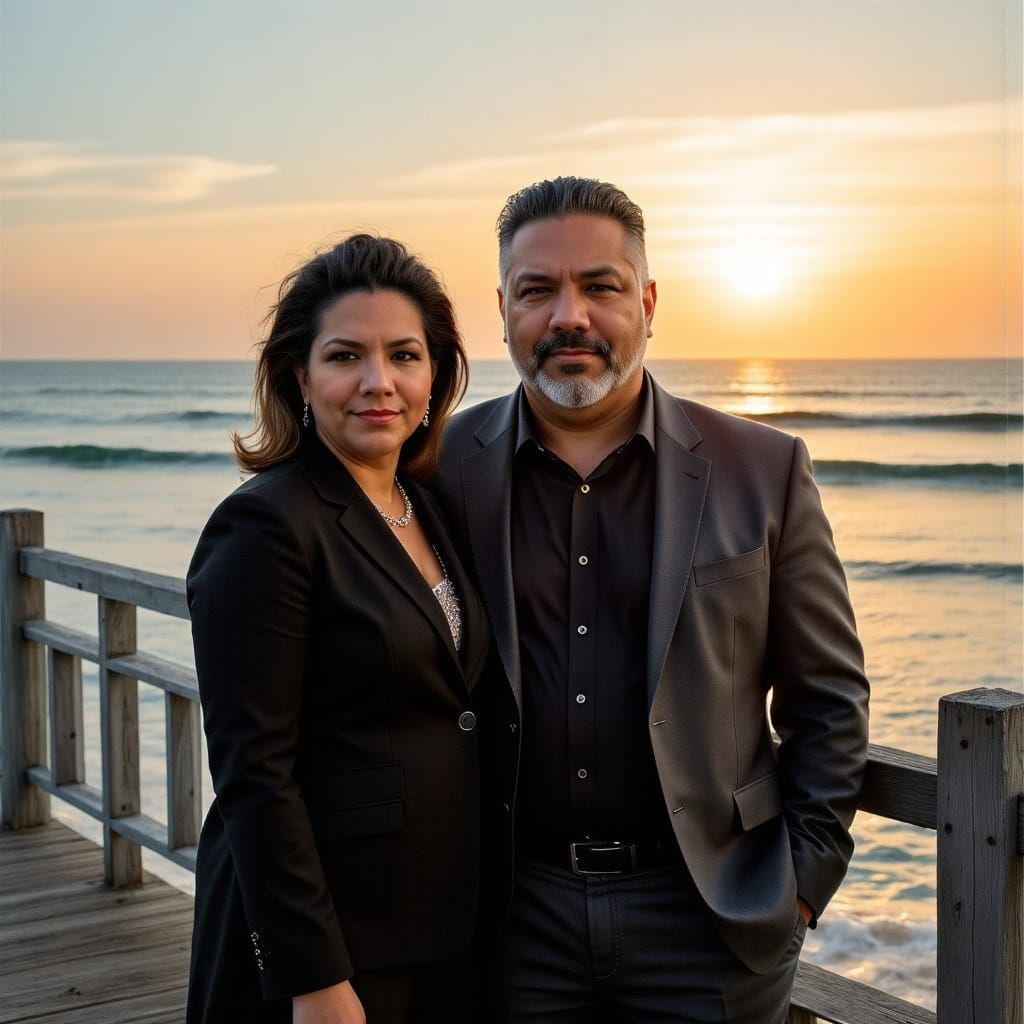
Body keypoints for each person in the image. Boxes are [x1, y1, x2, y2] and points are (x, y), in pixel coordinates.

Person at [433, 177, 870, 1023]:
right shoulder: (440, 468)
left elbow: (829, 697)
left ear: (648, 299)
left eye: (600, 286)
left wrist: (800, 889)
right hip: (510, 920)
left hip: (708, 919)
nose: (571, 316)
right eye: (537, 290)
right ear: (502, 308)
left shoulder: (765, 470)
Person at [185, 234, 490, 1024]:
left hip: (435, 927)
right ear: (301, 375)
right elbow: (255, 771)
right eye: (346, 356)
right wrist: (313, 977)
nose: (378, 382)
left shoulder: (428, 509)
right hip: (329, 947)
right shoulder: (264, 526)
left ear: (437, 374)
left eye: (405, 355)